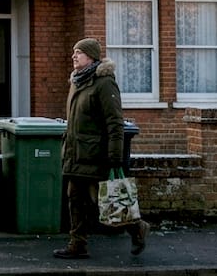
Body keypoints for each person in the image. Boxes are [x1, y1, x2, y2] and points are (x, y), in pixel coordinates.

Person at [53, 37, 150, 259]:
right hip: (75, 152)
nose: (74, 56)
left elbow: (114, 123)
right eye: (74, 52)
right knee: (74, 198)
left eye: (79, 52)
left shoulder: (104, 83)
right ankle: (77, 244)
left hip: (96, 154)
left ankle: (137, 228)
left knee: (105, 201)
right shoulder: (77, 81)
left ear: (91, 57)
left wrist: (115, 157)